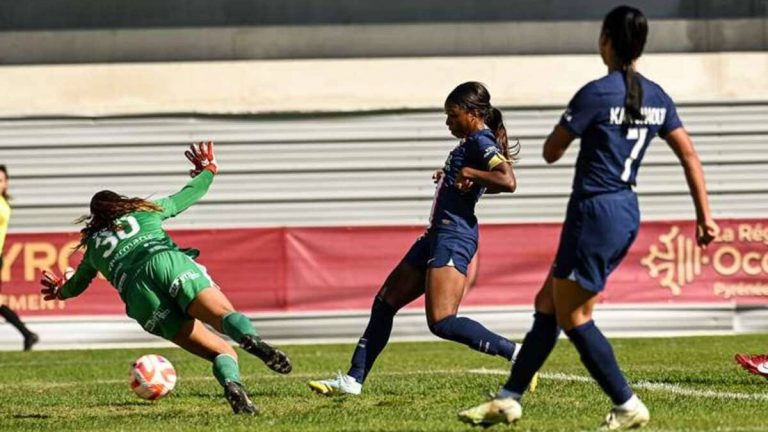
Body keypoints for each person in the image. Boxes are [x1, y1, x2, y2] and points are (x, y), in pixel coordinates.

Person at [458, 6, 719, 430]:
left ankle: (627, 404)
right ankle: (509, 398)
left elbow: (550, 151)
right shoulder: (656, 95)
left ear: (607, 41)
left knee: (575, 317)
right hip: (625, 210)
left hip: (594, 212)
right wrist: (704, 217)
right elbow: (688, 153)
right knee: (548, 304)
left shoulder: (596, 93)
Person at [308, 81, 528, 397]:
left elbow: (507, 180)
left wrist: (471, 174)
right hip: (436, 235)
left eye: (452, 115)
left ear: (471, 113)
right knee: (385, 301)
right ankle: (353, 380)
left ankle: (518, 355)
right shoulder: (470, 142)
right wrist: (454, 178)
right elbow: (481, 181)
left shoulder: (481, 141)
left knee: (441, 321)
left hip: (454, 237)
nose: (447, 122)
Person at [39, 142, 292, 415]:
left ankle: (233, 385)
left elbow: (76, 286)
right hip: (163, 262)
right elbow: (191, 193)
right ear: (120, 204)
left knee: (222, 352)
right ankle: (251, 339)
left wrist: (59, 291)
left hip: (139, 298)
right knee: (223, 316)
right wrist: (208, 170)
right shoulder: (142, 211)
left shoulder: (93, 249)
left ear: (94, 219)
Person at [0, 165, 40, 351]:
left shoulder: (2, 206)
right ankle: (27, 334)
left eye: (0, 180)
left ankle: (27, 334)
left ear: (6, 184)